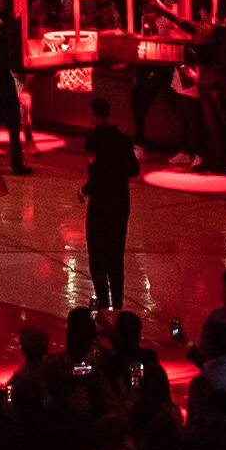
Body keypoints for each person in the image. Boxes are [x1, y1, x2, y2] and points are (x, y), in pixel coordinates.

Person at [82, 110, 137, 313]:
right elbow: (134, 170)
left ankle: (104, 304)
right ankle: (118, 305)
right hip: (121, 204)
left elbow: (96, 177)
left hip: (100, 206)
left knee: (97, 256)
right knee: (116, 256)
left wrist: (83, 190)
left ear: (95, 117)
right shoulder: (124, 141)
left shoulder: (93, 141)